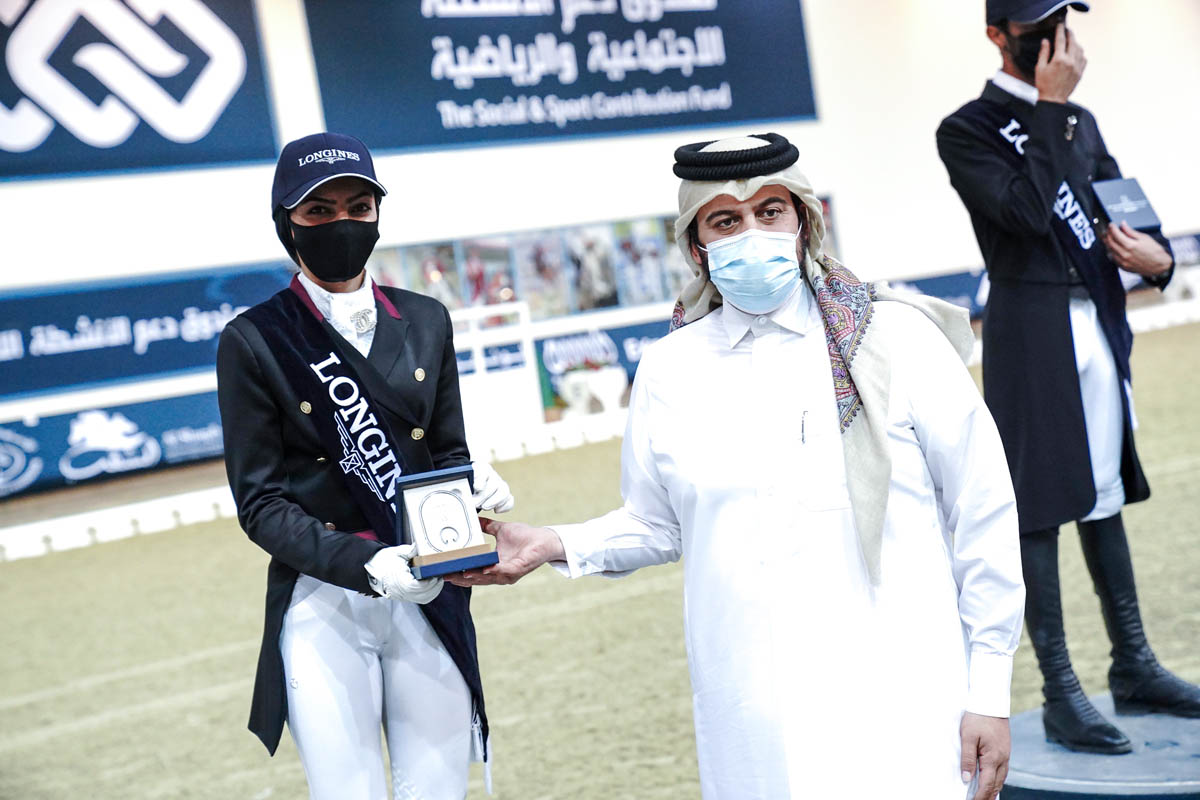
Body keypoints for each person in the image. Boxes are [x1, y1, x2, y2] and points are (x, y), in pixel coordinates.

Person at [452, 133, 1025, 799]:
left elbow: (982, 509)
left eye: (769, 212)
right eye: (725, 220)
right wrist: (552, 542)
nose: (751, 233)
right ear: (696, 246)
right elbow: (659, 523)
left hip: (904, 700)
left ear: (804, 222)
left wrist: (990, 690)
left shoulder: (897, 341)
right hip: (754, 719)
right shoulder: (670, 369)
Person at [936, 0, 1200, 755]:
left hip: (1098, 322)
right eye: (1035, 25)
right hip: (1031, 328)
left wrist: (1162, 261)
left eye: (1061, 18)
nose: (1054, 36)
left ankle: (1134, 664)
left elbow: (1125, 210)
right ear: (998, 36)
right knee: (1037, 506)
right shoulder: (968, 129)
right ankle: (1060, 692)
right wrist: (1049, 107)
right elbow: (1023, 214)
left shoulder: (1081, 121)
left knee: (1104, 495)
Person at [216, 131, 513, 799]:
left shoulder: (426, 319)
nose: (343, 223)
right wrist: (365, 563)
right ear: (287, 221)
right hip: (324, 600)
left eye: (359, 207)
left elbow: (445, 450)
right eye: (319, 211)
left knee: (437, 789)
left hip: (428, 591)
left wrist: (470, 482)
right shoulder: (254, 340)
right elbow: (261, 505)